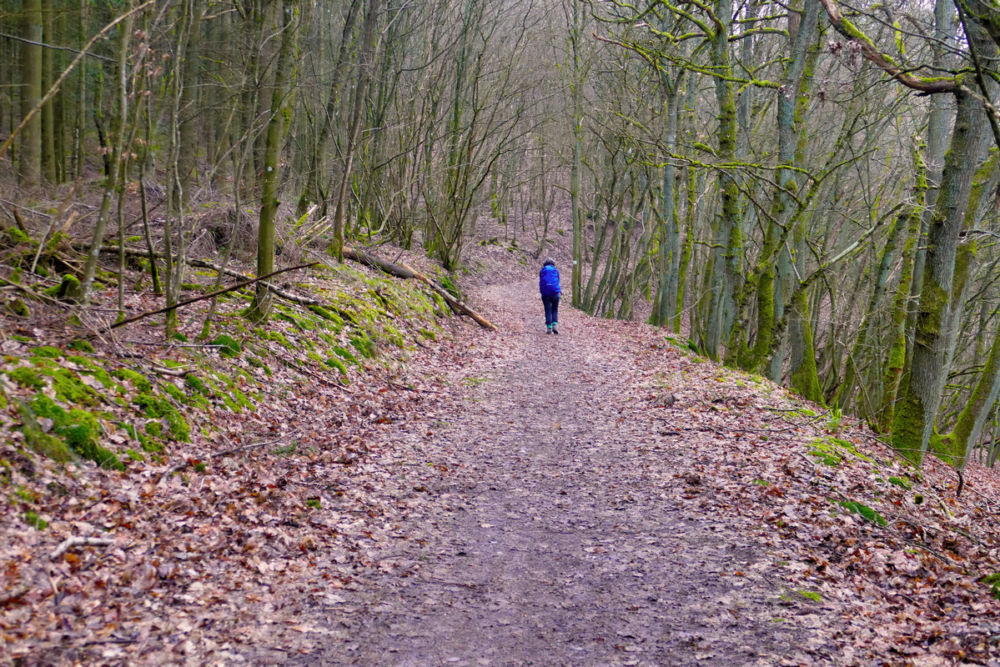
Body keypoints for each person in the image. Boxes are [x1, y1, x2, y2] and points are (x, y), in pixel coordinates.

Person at [539, 258, 561, 334]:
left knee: (547, 310)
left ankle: (549, 327)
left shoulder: (542, 271)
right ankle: (555, 325)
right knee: (555, 309)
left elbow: (541, 281)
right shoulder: (556, 270)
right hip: (555, 293)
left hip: (545, 293)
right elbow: (558, 281)